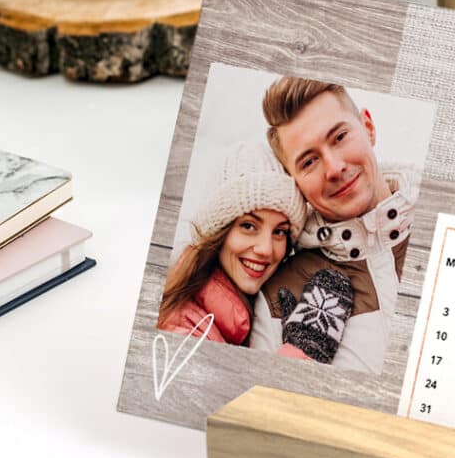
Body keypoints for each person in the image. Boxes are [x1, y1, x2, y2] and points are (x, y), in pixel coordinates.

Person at [247, 77, 418, 372]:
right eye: (309, 162)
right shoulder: (277, 294)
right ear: (295, 182)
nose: (335, 168)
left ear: (368, 127)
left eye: (339, 137)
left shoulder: (445, 224)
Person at [158, 146, 307, 345]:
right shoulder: (184, 331)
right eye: (248, 226)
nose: (266, 249)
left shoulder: (257, 313)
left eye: (279, 231)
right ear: (219, 232)